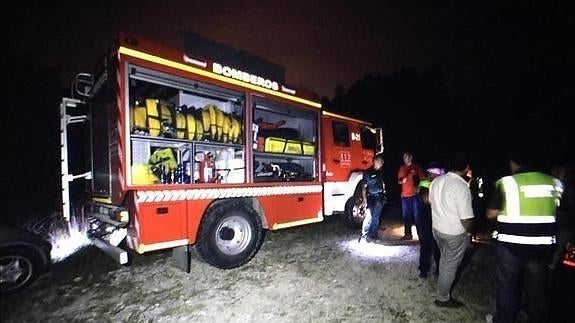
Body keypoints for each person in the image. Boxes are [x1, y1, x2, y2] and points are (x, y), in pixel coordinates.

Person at [486, 154, 563, 323]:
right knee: (537, 290)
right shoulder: (554, 183)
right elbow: (557, 210)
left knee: (507, 288)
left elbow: (491, 213)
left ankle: (504, 319)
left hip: (511, 244)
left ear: (513, 163)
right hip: (542, 245)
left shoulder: (507, 183)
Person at [429, 153, 475, 308]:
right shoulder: (461, 187)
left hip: (437, 229)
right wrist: (470, 231)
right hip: (453, 233)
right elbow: (466, 219)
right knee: (450, 264)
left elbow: (431, 202)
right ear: (466, 167)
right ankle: (442, 298)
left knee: (445, 260)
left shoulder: (436, 181)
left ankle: (442, 283)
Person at [415, 164, 443, 278]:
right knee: (426, 245)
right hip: (426, 219)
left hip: (437, 219)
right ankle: (424, 269)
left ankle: (439, 270)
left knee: (437, 246)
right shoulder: (425, 183)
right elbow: (426, 199)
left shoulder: (439, 183)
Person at [397, 152, 426, 240]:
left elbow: (423, 178)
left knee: (417, 216)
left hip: (414, 195)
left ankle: (421, 234)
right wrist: (403, 180)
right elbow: (399, 181)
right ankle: (408, 234)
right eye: (404, 157)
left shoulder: (416, 167)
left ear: (411, 157)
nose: (405, 159)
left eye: (407, 157)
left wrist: (418, 187)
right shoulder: (402, 168)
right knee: (406, 216)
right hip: (405, 196)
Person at [359, 154, 386, 242]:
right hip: (371, 197)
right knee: (369, 216)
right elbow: (363, 187)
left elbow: (382, 183)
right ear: (374, 161)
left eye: (382, 162)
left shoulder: (380, 172)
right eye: (379, 161)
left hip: (380, 198)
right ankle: (364, 235)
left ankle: (373, 235)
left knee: (376, 217)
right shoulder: (368, 173)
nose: (381, 163)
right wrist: (364, 199)